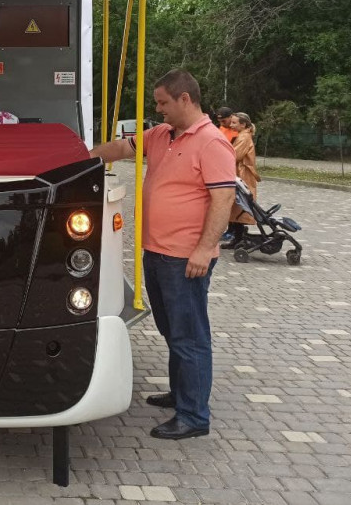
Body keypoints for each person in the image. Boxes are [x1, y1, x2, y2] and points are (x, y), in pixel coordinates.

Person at [90, 69, 235, 440]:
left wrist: (203, 249)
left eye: (162, 102)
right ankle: (181, 393)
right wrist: (84, 157)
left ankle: (194, 416)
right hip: (156, 252)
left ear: (185, 98)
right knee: (171, 330)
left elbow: (223, 200)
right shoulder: (160, 135)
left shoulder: (212, 142)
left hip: (185, 258)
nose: (158, 109)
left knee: (190, 335)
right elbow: (122, 149)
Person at [224, 112, 260, 247]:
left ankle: (238, 238)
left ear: (243, 124)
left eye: (234, 122)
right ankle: (237, 237)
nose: (231, 125)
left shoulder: (244, 137)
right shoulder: (243, 135)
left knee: (240, 206)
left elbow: (234, 155)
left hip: (242, 175)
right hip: (240, 174)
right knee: (238, 206)